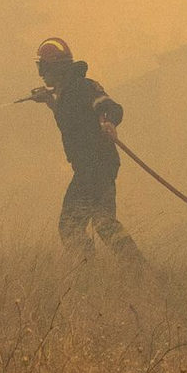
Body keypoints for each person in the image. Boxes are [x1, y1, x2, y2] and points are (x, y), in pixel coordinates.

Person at [27, 37, 145, 264]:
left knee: (70, 226)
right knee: (104, 223)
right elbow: (74, 122)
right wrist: (51, 103)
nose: (41, 73)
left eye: (43, 66)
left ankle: (90, 271)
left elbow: (111, 106)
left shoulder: (83, 87)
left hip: (96, 167)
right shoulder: (66, 96)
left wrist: (109, 122)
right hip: (92, 167)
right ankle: (139, 270)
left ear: (55, 68)